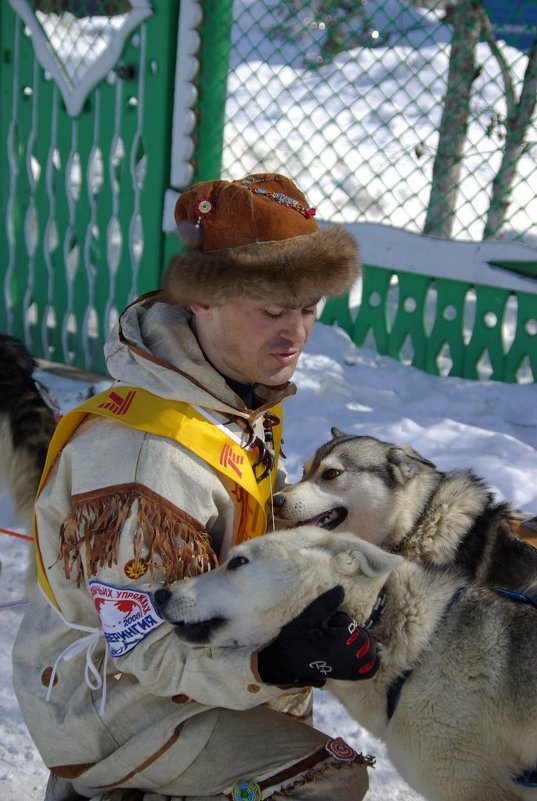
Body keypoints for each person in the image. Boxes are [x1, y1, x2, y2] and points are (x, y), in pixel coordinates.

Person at [12, 173, 378, 801]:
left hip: (176, 660)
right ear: (203, 303)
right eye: (271, 311)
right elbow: (140, 642)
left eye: (309, 309)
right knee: (330, 776)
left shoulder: (229, 392)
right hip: (108, 698)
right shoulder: (147, 454)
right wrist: (271, 664)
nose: (296, 334)